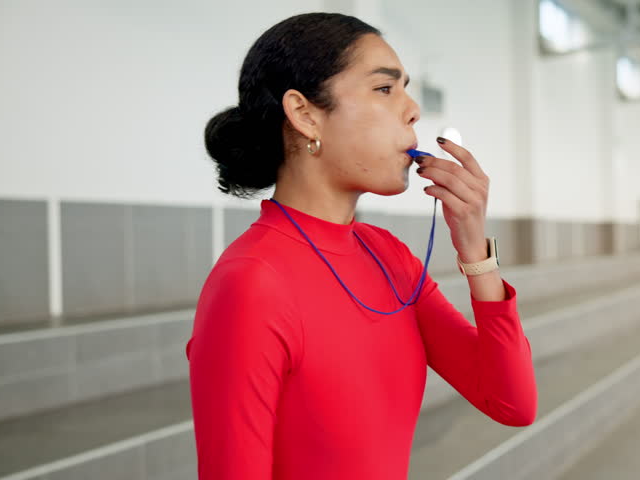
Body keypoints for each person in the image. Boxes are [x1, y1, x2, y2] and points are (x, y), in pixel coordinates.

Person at [185, 12, 537, 479]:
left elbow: (511, 402)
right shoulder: (252, 283)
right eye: (385, 88)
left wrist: (476, 252)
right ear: (306, 115)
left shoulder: (386, 255)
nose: (413, 109)